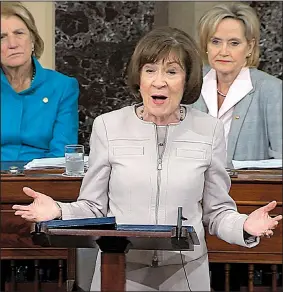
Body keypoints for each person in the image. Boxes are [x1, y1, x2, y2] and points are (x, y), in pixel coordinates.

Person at [12, 27, 282, 291]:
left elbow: (217, 213)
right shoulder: (109, 126)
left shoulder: (209, 130)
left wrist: (245, 226)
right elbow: (93, 208)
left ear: (187, 81)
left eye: (172, 71)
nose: (159, 81)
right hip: (119, 270)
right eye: (150, 70)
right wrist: (58, 211)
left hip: (186, 274)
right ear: (139, 78)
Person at [192, 2, 282, 166]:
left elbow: (280, 162)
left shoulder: (272, 91)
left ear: (250, 47)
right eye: (216, 42)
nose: (223, 51)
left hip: (248, 190)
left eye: (234, 43)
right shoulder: (191, 83)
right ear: (206, 45)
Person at [1, 2, 79, 162]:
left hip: (43, 180)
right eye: (1, 37)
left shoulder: (63, 87)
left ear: (32, 40)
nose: (12, 44)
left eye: (19, 33)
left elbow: (62, 153)